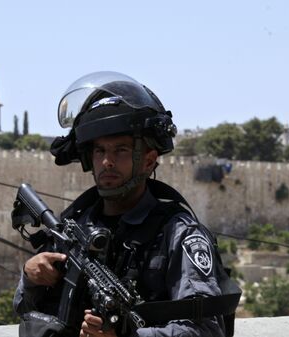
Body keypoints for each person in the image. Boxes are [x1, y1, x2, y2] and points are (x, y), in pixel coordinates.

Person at [13, 71, 239, 337]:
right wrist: (31, 279)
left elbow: (207, 330)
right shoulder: (76, 225)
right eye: (100, 151)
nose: (107, 162)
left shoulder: (178, 234)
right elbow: (25, 308)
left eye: (120, 150)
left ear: (147, 160)